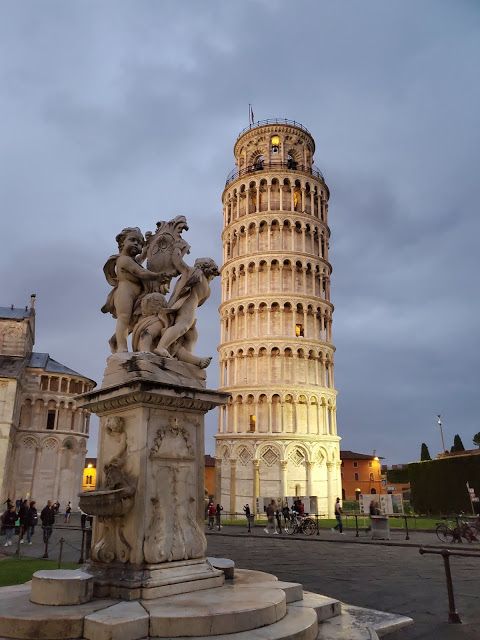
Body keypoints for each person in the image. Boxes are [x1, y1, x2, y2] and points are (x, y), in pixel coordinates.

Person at [102, 227, 166, 353]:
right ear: (122, 243)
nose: (136, 244)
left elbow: (138, 262)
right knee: (124, 318)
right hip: (125, 292)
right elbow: (141, 272)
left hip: (137, 295)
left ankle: (114, 340)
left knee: (132, 323)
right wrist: (157, 276)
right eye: (132, 240)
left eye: (140, 243)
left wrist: (145, 253)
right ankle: (122, 347)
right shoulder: (123, 259)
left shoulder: (131, 260)